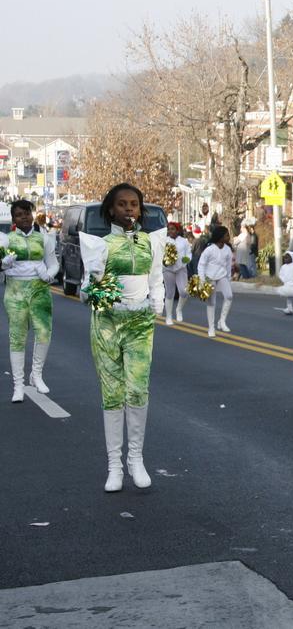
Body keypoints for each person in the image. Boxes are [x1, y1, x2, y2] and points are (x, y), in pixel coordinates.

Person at [79, 183, 166, 492]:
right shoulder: (100, 245)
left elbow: (156, 277)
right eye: (122, 204)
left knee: (138, 390)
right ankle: (114, 465)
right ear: (111, 210)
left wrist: (158, 299)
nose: (129, 208)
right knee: (112, 393)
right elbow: (87, 286)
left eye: (134, 204)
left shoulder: (151, 242)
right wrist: (93, 292)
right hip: (107, 323)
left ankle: (136, 459)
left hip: (140, 323)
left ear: (140, 209)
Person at [0, 200, 58, 402]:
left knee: (43, 332)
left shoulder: (44, 239)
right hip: (15, 292)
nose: (24, 217)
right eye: (19, 215)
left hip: (40, 291)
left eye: (27, 213)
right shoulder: (7, 240)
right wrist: (3, 264)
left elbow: (53, 264)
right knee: (17, 337)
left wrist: (48, 275)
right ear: (13, 218)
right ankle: (18, 386)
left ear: (32, 215)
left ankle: (37, 374)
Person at [198, 225, 235, 337]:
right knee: (211, 302)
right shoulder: (209, 249)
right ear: (220, 237)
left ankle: (222, 321)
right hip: (210, 278)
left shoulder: (228, 249)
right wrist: (202, 280)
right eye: (226, 235)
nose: (228, 237)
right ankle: (211, 327)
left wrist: (228, 278)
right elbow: (201, 264)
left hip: (222, 276)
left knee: (229, 296)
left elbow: (228, 265)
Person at [163, 222, 191, 326]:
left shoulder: (184, 241)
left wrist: (187, 259)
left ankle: (179, 309)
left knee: (184, 292)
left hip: (181, 269)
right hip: (168, 269)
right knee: (169, 293)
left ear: (178, 230)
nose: (170, 231)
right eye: (169, 229)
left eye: (173, 229)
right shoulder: (164, 240)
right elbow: (159, 253)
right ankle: (168, 317)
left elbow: (189, 253)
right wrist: (164, 261)